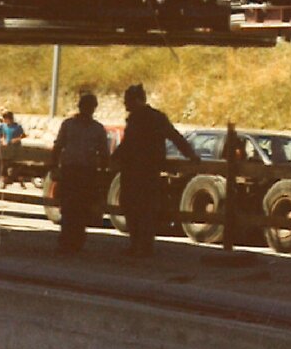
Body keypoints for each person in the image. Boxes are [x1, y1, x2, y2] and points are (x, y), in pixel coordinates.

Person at [112, 84, 199, 256]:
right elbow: (175, 137)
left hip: (138, 170)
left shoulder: (142, 119)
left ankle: (140, 245)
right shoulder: (155, 118)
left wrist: (114, 158)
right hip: (146, 169)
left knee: (137, 208)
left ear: (136, 100)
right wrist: (191, 155)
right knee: (141, 208)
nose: (125, 105)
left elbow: (129, 144)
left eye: (127, 101)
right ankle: (141, 245)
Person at [50, 94, 110, 255]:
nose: (88, 109)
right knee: (68, 208)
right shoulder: (69, 125)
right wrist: (54, 167)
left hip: (86, 172)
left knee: (81, 209)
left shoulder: (97, 128)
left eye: (91, 106)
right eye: (86, 106)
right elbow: (58, 146)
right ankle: (66, 242)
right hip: (70, 171)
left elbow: (104, 153)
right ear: (81, 106)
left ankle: (76, 243)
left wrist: (102, 174)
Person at [0, 110, 26, 189]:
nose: (4, 120)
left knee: (15, 166)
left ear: (10, 118)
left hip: (15, 148)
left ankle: (21, 182)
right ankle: (2, 182)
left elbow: (23, 135)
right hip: (5, 149)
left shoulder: (17, 126)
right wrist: (2, 140)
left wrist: (16, 139)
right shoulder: (2, 126)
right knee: (4, 165)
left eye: (6, 118)